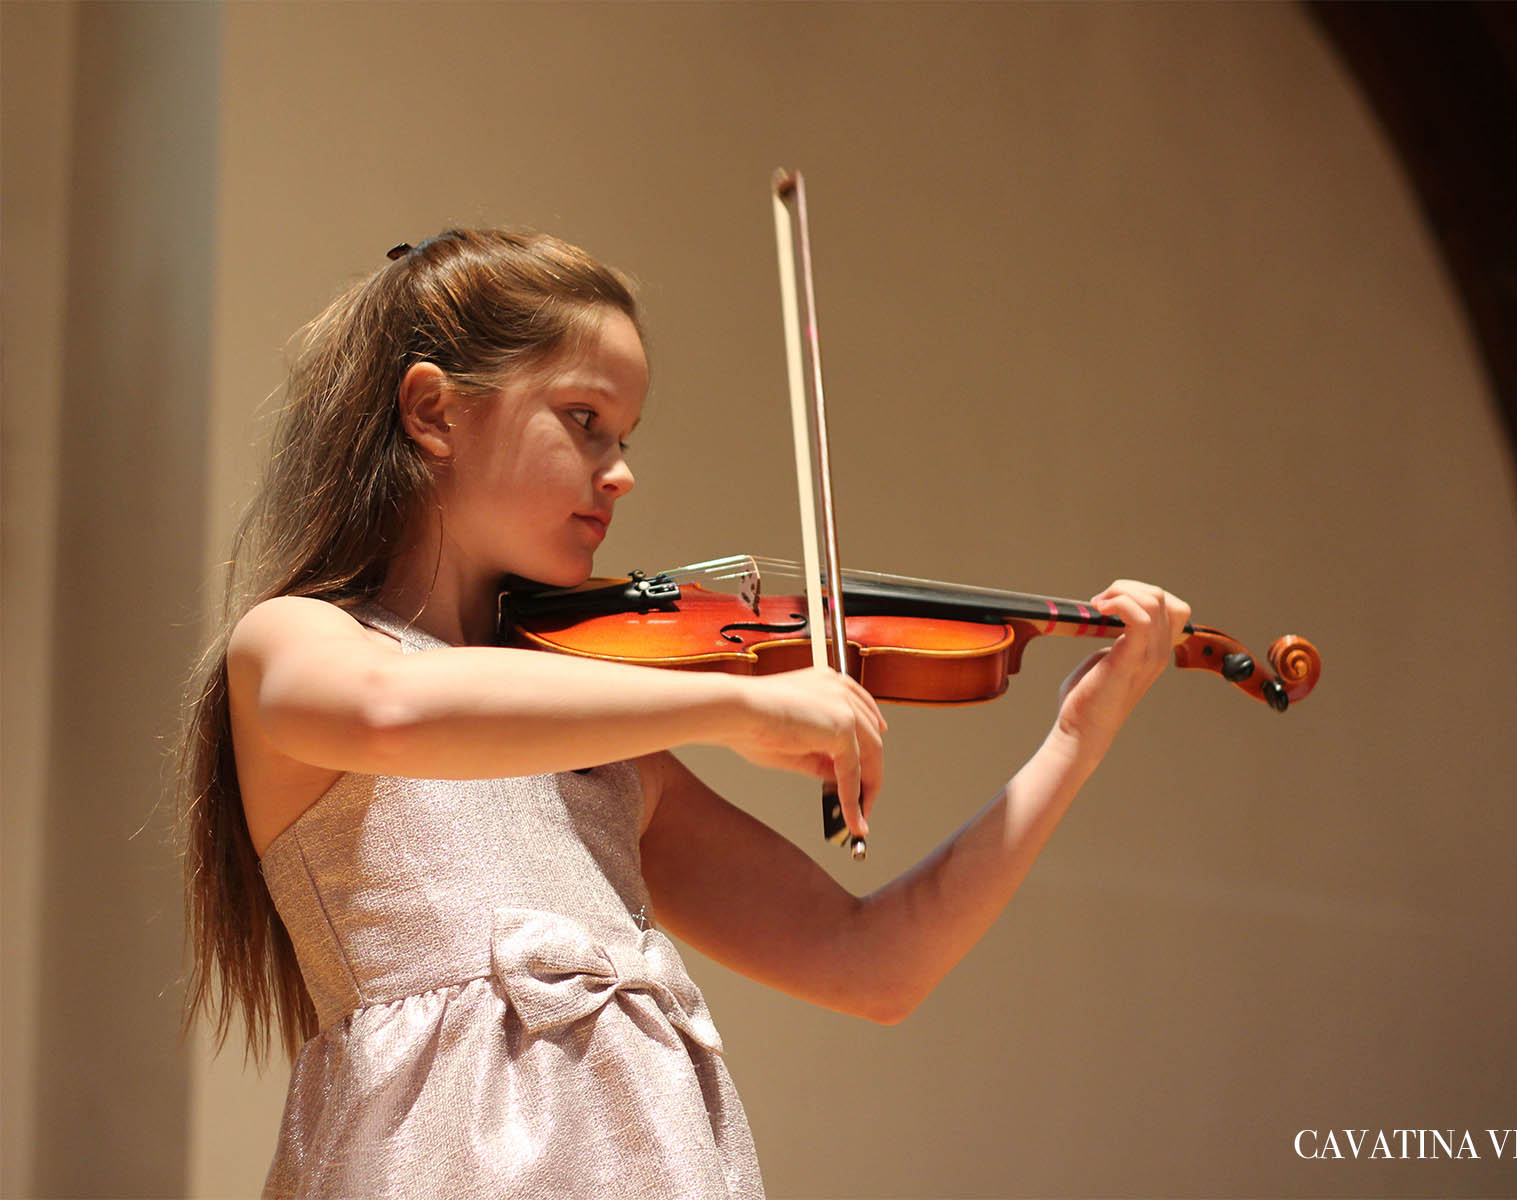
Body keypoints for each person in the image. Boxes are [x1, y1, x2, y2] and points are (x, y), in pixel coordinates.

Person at [177, 228, 1191, 1198]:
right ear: (434, 413)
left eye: (623, 435)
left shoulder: (614, 761)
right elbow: (392, 710)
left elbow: (874, 965)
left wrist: (1072, 745)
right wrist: (727, 704)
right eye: (584, 420)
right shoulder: (297, 641)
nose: (621, 471)